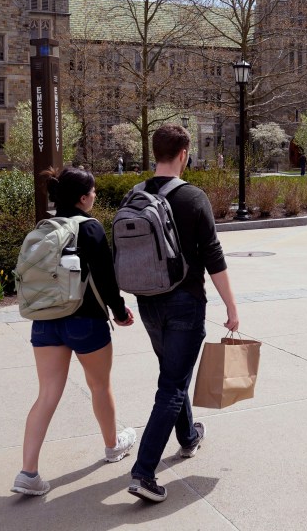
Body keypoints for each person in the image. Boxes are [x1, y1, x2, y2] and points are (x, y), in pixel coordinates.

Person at [127, 124, 239, 503]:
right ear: (183, 155)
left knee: (172, 373)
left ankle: (188, 437)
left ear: (155, 152)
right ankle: (143, 473)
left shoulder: (134, 195)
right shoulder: (193, 197)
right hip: (185, 302)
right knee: (172, 386)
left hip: (147, 302)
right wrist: (231, 306)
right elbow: (213, 257)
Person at [11, 167, 136, 497]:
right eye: (93, 192)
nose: (95, 196)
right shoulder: (90, 228)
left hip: (45, 320)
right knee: (99, 385)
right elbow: (107, 281)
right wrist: (121, 313)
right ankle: (113, 446)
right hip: (86, 320)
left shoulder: (45, 227)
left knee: (47, 393)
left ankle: (28, 472)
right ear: (82, 198)